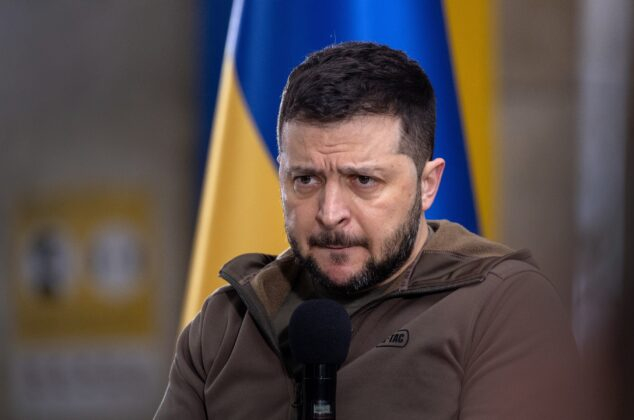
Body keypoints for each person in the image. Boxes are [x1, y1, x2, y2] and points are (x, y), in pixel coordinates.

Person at [155, 42, 581, 419]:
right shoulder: (227, 322)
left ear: (427, 184)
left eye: (363, 181)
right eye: (306, 179)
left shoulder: (500, 307)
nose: (330, 213)